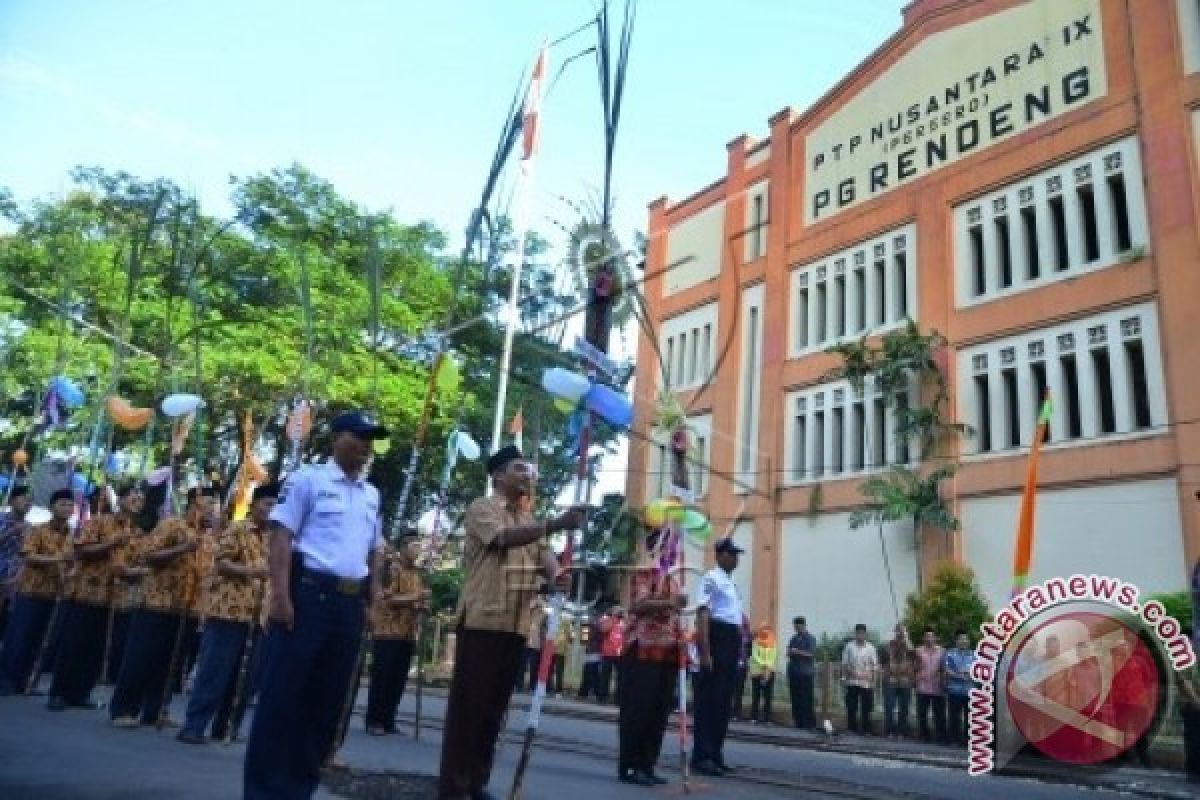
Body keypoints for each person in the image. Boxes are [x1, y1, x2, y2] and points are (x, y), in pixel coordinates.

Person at [243, 411, 388, 800]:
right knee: (282, 695)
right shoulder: (308, 479)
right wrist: (280, 595)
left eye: (370, 439)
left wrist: (375, 600)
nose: (364, 446)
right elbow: (280, 537)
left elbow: (375, 551)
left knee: (325, 702)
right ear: (337, 438)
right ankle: (263, 791)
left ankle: (298, 788)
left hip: (348, 605)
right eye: (358, 436)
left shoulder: (372, 494)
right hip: (308, 595)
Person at [437, 445, 582, 800]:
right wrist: (554, 523)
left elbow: (545, 556)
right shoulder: (482, 508)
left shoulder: (529, 522)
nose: (529, 475)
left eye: (531, 470)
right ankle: (454, 788)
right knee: (469, 711)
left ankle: (476, 781)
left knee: (493, 712)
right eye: (520, 468)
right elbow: (500, 539)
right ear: (498, 475)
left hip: (517, 626)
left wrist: (558, 575)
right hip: (483, 621)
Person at [109, 486, 217, 728]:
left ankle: (156, 710)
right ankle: (124, 708)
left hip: (187, 608)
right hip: (156, 603)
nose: (212, 509)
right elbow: (148, 555)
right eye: (208, 503)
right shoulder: (171, 525)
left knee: (170, 663)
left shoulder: (208, 538)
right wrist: (182, 549)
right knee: (141, 658)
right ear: (194, 503)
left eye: (214, 504)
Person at [176, 483, 275, 744]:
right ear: (255, 505)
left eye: (277, 506)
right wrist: (251, 572)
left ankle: (227, 728)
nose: (272, 510)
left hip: (259, 616)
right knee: (214, 672)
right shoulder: (238, 529)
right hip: (228, 611)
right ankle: (194, 726)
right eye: (267, 504)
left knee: (245, 681)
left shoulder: (278, 537)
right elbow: (221, 561)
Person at [47, 484, 144, 710]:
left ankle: (80, 693)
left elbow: (129, 565)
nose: (138, 500)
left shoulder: (136, 533)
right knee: (73, 645)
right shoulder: (99, 522)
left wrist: (137, 573)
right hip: (85, 592)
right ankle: (58, 692)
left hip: (112, 597)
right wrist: (111, 543)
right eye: (133, 496)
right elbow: (81, 551)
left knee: (96, 649)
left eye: (141, 498)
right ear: (120, 499)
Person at [617, 525, 685, 786]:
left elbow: (676, 614)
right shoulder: (644, 573)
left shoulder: (675, 580)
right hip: (642, 649)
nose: (673, 551)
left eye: (674, 548)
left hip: (667, 652)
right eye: (668, 546)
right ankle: (630, 765)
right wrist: (669, 603)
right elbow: (638, 605)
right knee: (638, 710)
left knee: (659, 712)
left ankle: (647, 763)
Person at [0, 489, 72, 694]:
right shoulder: (38, 530)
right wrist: (57, 560)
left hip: (53, 592)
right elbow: (29, 556)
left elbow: (70, 561)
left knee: (39, 640)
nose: (66, 508)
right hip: (30, 590)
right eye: (62, 504)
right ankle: (5, 679)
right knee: (19, 636)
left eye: (69, 504)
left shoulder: (71, 535)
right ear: (52, 507)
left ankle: (26, 681)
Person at [690, 537, 746, 777]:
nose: (736, 558)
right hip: (717, 637)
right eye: (732, 554)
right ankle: (702, 755)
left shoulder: (731, 582)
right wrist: (705, 652)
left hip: (730, 639)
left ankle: (715, 753)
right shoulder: (711, 578)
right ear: (721, 555)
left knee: (723, 702)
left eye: (736, 554)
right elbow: (703, 615)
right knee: (709, 701)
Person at [364, 534, 427, 736]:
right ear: (403, 547)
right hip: (387, 631)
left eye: (419, 546)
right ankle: (374, 720)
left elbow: (416, 600)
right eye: (414, 545)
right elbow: (386, 598)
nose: (417, 550)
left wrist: (422, 605)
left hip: (407, 632)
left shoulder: (417, 573)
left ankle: (388, 719)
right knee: (382, 678)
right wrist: (414, 598)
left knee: (398, 680)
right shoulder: (392, 568)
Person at [0, 486, 34, 638]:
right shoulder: (1, 518)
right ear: (12, 500)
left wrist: (16, 578)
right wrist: (12, 531)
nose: (28, 502)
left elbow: (27, 556)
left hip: (14, 580)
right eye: (24, 498)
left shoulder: (31, 528)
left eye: (30, 499)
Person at [841, 624, 878, 735]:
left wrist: (874, 681)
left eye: (862, 633)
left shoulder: (871, 647)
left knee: (866, 708)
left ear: (865, 634)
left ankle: (866, 730)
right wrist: (844, 676)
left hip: (866, 682)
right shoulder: (849, 646)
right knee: (851, 707)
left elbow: (875, 666)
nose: (860, 635)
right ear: (855, 633)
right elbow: (844, 663)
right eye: (858, 633)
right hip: (852, 681)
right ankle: (852, 729)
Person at [881, 624, 915, 739]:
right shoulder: (890, 644)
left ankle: (902, 731)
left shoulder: (908, 644)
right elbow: (885, 658)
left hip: (905, 680)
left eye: (902, 631)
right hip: (891, 679)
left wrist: (906, 637)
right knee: (889, 707)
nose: (900, 633)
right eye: (898, 631)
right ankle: (889, 731)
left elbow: (911, 651)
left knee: (904, 707)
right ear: (895, 632)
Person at [914, 629, 947, 744]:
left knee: (939, 714)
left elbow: (944, 668)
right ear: (923, 638)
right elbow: (915, 666)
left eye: (931, 636)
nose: (929, 639)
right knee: (922, 713)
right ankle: (924, 735)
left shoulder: (942, 651)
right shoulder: (918, 651)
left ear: (935, 638)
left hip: (937, 687)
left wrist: (943, 681)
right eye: (926, 637)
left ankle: (941, 736)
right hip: (922, 686)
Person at [944, 630, 975, 746]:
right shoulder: (950, 654)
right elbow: (947, 670)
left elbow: (979, 670)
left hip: (969, 690)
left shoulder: (974, 655)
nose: (963, 641)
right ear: (956, 641)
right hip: (954, 690)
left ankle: (968, 740)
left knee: (970, 717)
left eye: (965, 639)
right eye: (961, 639)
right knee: (954, 716)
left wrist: (970, 674)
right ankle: (954, 740)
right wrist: (959, 675)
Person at [1178, 629, 1200, 784]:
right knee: (1194, 739)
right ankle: (1193, 772)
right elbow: (1185, 682)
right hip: (1191, 706)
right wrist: (1196, 701)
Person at [786, 616, 816, 729]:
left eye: (798, 626)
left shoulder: (810, 638)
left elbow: (811, 654)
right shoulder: (794, 638)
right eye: (795, 627)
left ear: (803, 625)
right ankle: (798, 722)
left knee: (806, 699)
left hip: (806, 673)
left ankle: (808, 723)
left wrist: (797, 652)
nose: (796, 629)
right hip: (794, 672)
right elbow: (789, 651)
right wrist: (790, 652)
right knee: (795, 698)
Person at [749, 623, 776, 725]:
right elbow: (755, 655)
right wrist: (763, 664)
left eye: (767, 629)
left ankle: (767, 718)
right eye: (763, 629)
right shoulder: (756, 641)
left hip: (769, 671)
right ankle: (754, 717)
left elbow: (773, 656)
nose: (765, 631)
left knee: (768, 696)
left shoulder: (773, 641)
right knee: (756, 695)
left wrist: (767, 667)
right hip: (757, 671)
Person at [519, 595, 547, 693]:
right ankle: (519, 684)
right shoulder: (527, 613)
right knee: (522, 664)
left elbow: (543, 630)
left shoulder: (543, 614)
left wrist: (543, 643)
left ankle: (532, 686)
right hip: (526, 641)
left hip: (536, 643)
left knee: (534, 666)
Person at [600, 608, 625, 703]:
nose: (618, 613)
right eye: (616, 611)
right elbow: (604, 629)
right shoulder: (608, 621)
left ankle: (618, 698)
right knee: (605, 675)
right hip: (608, 653)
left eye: (619, 612)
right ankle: (602, 696)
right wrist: (612, 619)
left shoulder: (623, 623)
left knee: (620, 677)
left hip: (620, 654)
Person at [552, 615, 574, 696]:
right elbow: (571, 637)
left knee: (552, 670)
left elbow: (571, 637)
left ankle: (546, 688)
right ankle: (557, 691)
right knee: (559, 671)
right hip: (559, 650)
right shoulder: (567, 621)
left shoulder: (552, 619)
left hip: (554, 649)